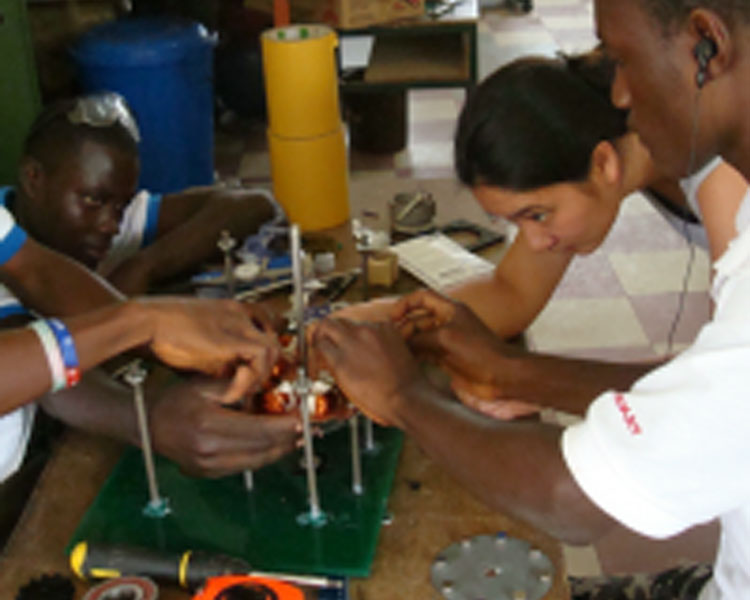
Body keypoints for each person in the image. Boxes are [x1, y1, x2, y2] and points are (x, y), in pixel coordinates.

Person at [312, 1, 750, 598]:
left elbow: (579, 496)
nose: (620, 93)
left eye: (625, 60)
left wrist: (403, 395)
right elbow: (511, 292)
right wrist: (370, 325)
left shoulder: (728, 189)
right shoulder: (608, 142)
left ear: (708, 43)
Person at [1, 92, 282, 299]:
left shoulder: (96, 228)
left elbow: (253, 204)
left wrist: (143, 267)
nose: (111, 225)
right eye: (92, 200)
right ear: (33, 178)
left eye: (122, 206)